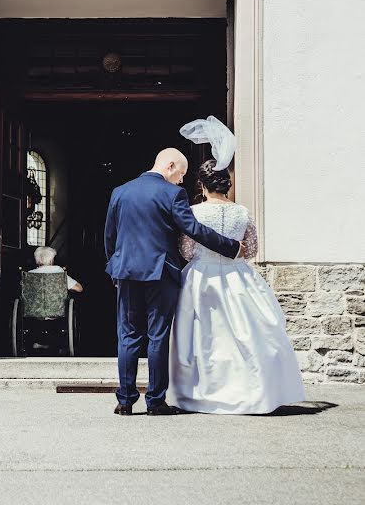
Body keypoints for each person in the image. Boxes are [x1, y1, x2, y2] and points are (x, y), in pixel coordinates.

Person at [104, 146, 243, 416]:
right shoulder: (172, 193)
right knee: (158, 336)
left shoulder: (120, 192)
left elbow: (110, 235)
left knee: (128, 335)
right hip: (160, 273)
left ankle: (125, 400)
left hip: (127, 272)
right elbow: (193, 229)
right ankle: (155, 401)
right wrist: (230, 247)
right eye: (180, 174)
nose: (181, 181)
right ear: (169, 166)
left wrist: (115, 266)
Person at [168, 160, 305, 414]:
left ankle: (200, 392)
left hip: (200, 277)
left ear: (202, 185)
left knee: (202, 336)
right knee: (245, 335)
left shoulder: (194, 212)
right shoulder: (241, 212)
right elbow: (251, 250)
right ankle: (249, 391)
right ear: (226, 184)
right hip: (237, 276)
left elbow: (186, 251)